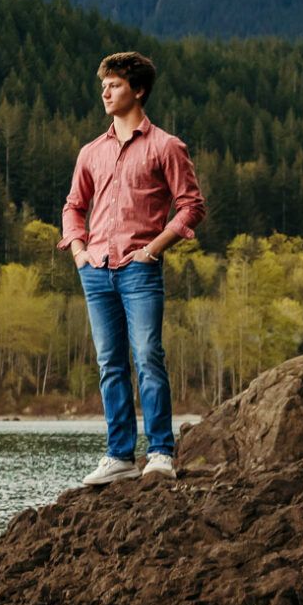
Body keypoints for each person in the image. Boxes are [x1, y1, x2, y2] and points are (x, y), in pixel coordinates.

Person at [61, 51, 205, 485]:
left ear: (138, 90)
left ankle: (160, 452)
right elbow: (73, 206)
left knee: (147, 357)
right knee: (110, 364)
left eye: (115, 84)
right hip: (96, 269)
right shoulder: (90, 152)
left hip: (140, 268)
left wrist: (155, 248)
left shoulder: (166, 146)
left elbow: (192, 206)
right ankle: (120, 456)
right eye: (103, 85)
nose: (105, 91)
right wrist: (79, 252)